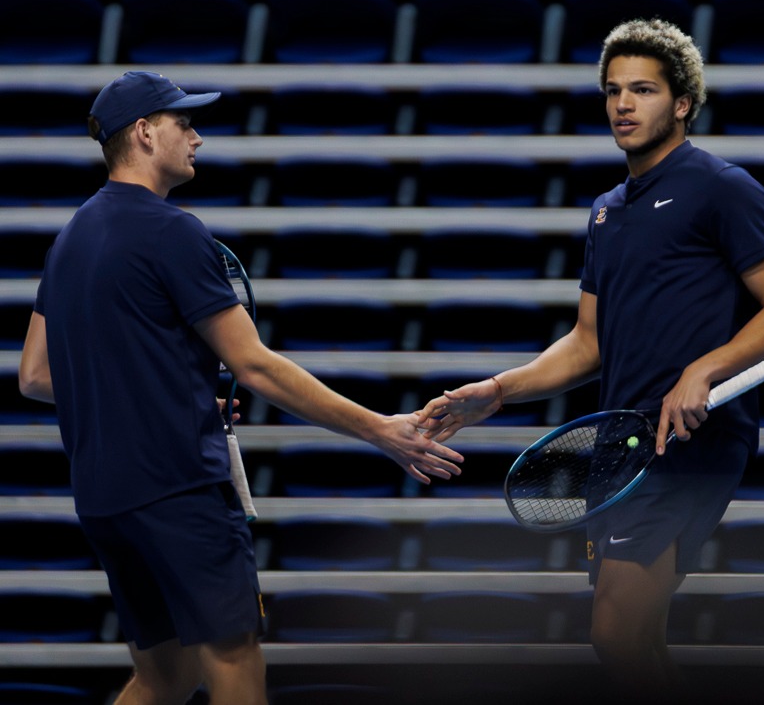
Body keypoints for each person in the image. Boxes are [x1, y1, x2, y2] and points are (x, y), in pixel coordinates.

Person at [18, 70, 464, 705]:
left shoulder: (70, 238)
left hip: (105, 497)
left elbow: (34, 376)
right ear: (144, 133)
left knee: (164, 676)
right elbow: (254, 366)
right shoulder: (173, 230)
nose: (197, 137)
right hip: (179, 489)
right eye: (184, 124)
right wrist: (380, 429)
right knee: (235, 661)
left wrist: (151, 386)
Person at [417, 19, 764, 699]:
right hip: (622, 445)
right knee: (641, 643)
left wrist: (702, 369)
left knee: (614, 635)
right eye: (613, 91)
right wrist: (499, 390)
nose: (624, 105)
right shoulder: (605, 212)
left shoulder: (723, 188)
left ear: (682, 103)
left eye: (644, 90)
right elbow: (587, 343)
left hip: (692, 438)